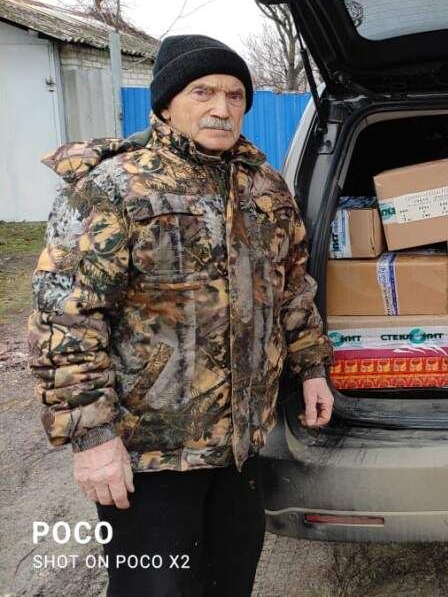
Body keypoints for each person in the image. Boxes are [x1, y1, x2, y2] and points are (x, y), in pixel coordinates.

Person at [27, 35, 334, 597]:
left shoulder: (264, 188)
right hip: (151, 454)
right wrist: (92, 436)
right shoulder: (113, 188)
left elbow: (291, 288)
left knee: (229, 580)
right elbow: (65, 320)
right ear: (166, 103)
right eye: (204, 92)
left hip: (240, 445)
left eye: (236, 95)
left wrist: (312, 368)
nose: (222, 107)